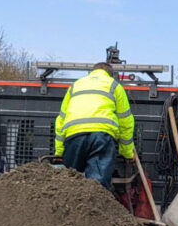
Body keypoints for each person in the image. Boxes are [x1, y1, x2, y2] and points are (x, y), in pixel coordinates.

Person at [54, 61, 135, 190]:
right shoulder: (114, 85)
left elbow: (60, 120)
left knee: (70, 182)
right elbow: (125, 122)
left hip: (74, 136)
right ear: (110, 74)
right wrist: (127, 153)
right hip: (101, 136)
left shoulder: (75, 85)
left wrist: (59, 152)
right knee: (97, 186)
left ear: (91, 72)